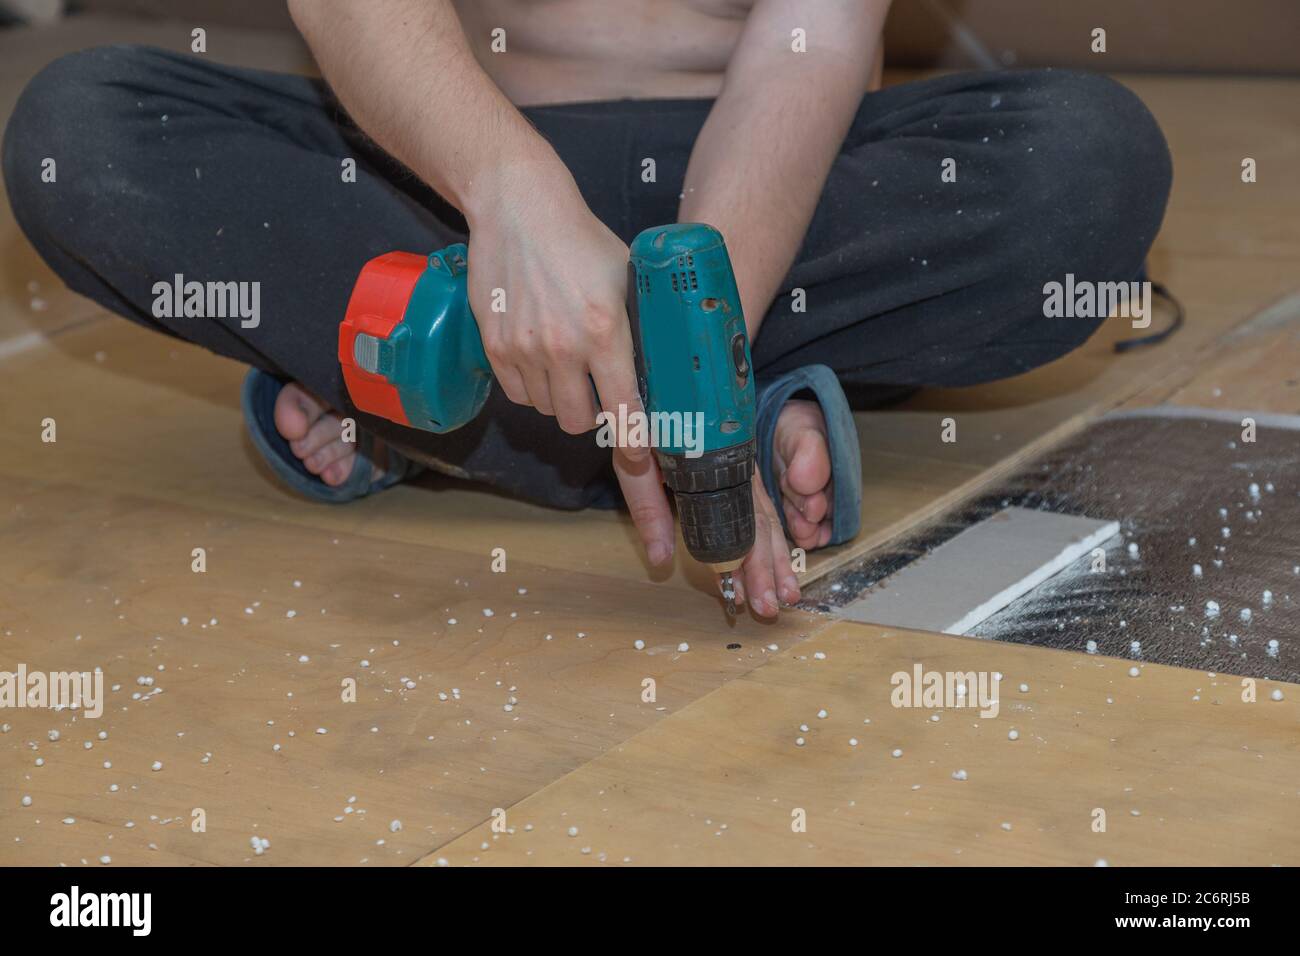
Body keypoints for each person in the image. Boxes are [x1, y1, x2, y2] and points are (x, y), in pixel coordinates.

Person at [1, 0, 1172, 616]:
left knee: (1087, 161)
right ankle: (698, 398)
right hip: (462, 182)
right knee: (80, 132)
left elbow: (803, 51)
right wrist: (510, 190)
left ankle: (435, 389)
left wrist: (693, 337)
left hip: (747, 197)